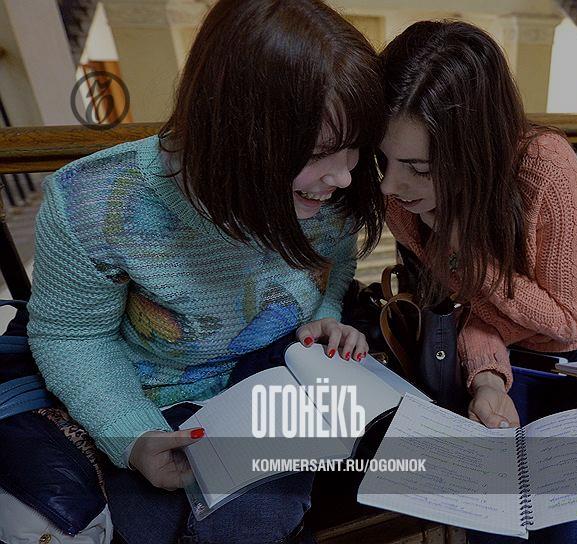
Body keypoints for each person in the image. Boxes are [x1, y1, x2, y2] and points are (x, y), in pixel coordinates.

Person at [26, 0, 385, 541]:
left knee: (256, 519)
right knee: (145, 525)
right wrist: (132, 435)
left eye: (354, 148)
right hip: (147, 395)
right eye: (317, 153)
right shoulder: (95, 203)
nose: (344, 177)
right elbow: (71, 335)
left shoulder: (332, 196)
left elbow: (333, 264)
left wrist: (327, 314)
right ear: (232, 132)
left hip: (275, 378)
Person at [377, 20, 577, 544]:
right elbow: (468, 311)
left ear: (477, 148)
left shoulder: (546, 169)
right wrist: (487, 379)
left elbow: (567, 320)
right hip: (507, 348)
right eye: (383, 160)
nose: (390, 185)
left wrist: (463, 252)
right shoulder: (405, 203)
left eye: (418, 167)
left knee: (575, 524)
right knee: (493, 515)